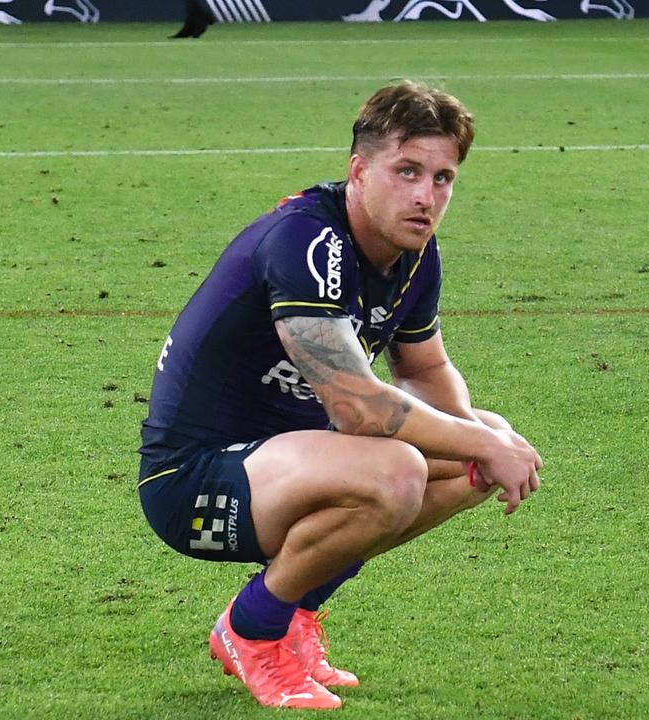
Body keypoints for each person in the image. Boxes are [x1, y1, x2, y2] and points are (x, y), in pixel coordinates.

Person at [137, 80, 544, 710]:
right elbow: (358, 407)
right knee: (398, 470)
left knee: (471, 455)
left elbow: (427, 368)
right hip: (193, 480)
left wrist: (483, 440)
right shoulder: (306, 241)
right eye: (406, 172)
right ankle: (251, 630)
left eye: (442, 178)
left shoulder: (413, 252)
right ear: (359, 171)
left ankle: (295, 611)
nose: (425, 195)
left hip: (288, 460)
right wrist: (484, 443)